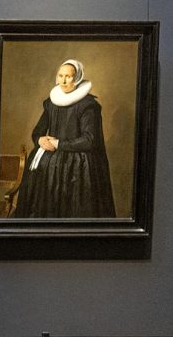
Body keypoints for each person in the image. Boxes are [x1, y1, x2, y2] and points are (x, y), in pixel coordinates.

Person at [14, 59, 116, 218]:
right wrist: (40, 140)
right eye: (60, 75)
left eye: (68, 76)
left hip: (78, 166)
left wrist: (59, 144)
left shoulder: (88, 105)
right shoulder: (51, 103)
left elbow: (89, 140)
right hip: (50, 164)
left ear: (78, 78)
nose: (63, 80)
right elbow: (37, 131)